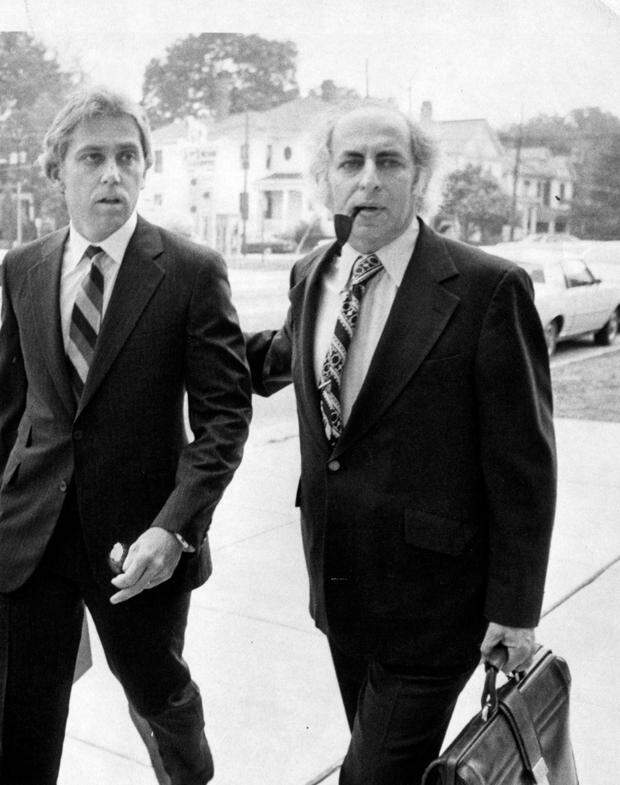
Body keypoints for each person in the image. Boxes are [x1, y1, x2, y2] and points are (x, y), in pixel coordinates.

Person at [246, 104, 557, 784]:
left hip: (434, 608)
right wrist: (180, 346)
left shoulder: (486, 288)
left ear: (419, 178)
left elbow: (524, 466)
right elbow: (289, 356)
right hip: (339, 590)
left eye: (389, 161)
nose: (369, 179)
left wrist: (515, 609)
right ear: (325, 181)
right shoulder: (312, 273)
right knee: (385, 761)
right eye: (351, 162)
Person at [0, 87, 251, 785]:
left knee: (160, 700)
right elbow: (10, 410)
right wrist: (4, 519)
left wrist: (175, 528)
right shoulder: (24, 267)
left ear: (144, 167)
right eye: (92, 158)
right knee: (18, 728)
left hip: (142, 542)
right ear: (57, 171)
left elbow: (224, 419)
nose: (112, 174)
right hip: (34, 538)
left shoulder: (190, 271)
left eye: (127, 157)